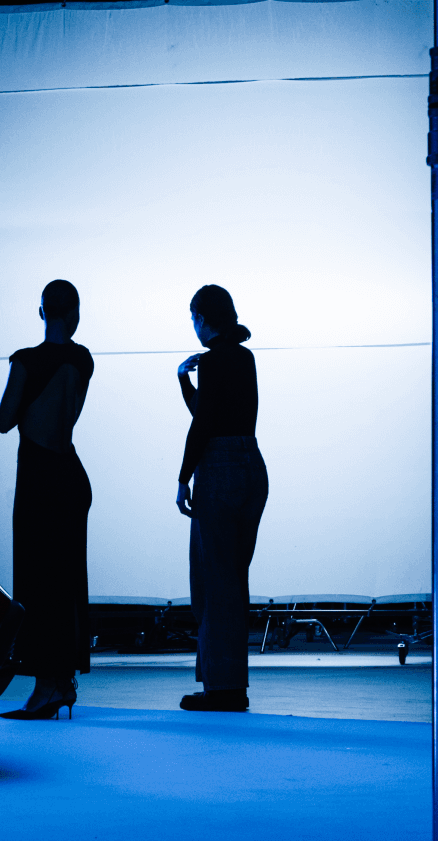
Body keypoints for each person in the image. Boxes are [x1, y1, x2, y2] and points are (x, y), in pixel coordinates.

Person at [0, 279, 94, 719]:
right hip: (70, 474)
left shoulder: (26, 361)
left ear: (41, 312)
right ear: (74, 313)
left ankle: (44, 690)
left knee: (37, 581)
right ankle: (60, 681)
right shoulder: (83, 360)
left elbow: (3, 421)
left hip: (37, 479)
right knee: (66, 580)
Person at [175, 285, 267, 711]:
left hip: (219, 469)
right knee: (233, 579)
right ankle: (230, 683)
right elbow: (214, 411)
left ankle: (222, 688)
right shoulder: (245, 358)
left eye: (193, 317)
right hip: (251, 463)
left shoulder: (212, 363)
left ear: (203, 318)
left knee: (214, 583)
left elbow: (203, 424)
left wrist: (182, 477)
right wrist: (186, 382)